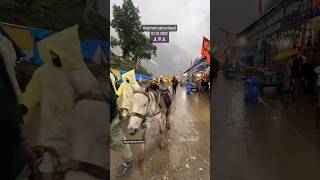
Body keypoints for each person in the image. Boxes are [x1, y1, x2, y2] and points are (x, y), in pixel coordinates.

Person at [19, 26, 107, 179]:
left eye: (57, 52)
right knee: (46, 170)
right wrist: (23, 107)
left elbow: (93, 106)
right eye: (52, 53)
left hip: (72, 139)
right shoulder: (43, 72)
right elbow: (31, 94)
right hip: (47, 133)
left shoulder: (82, 75)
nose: (54, 56)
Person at [110, 72, 135, 177]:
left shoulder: (133, 85)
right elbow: (117, 93)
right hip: (121, 105)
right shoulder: (122, 85)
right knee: (125, 115)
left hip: (123, 107)